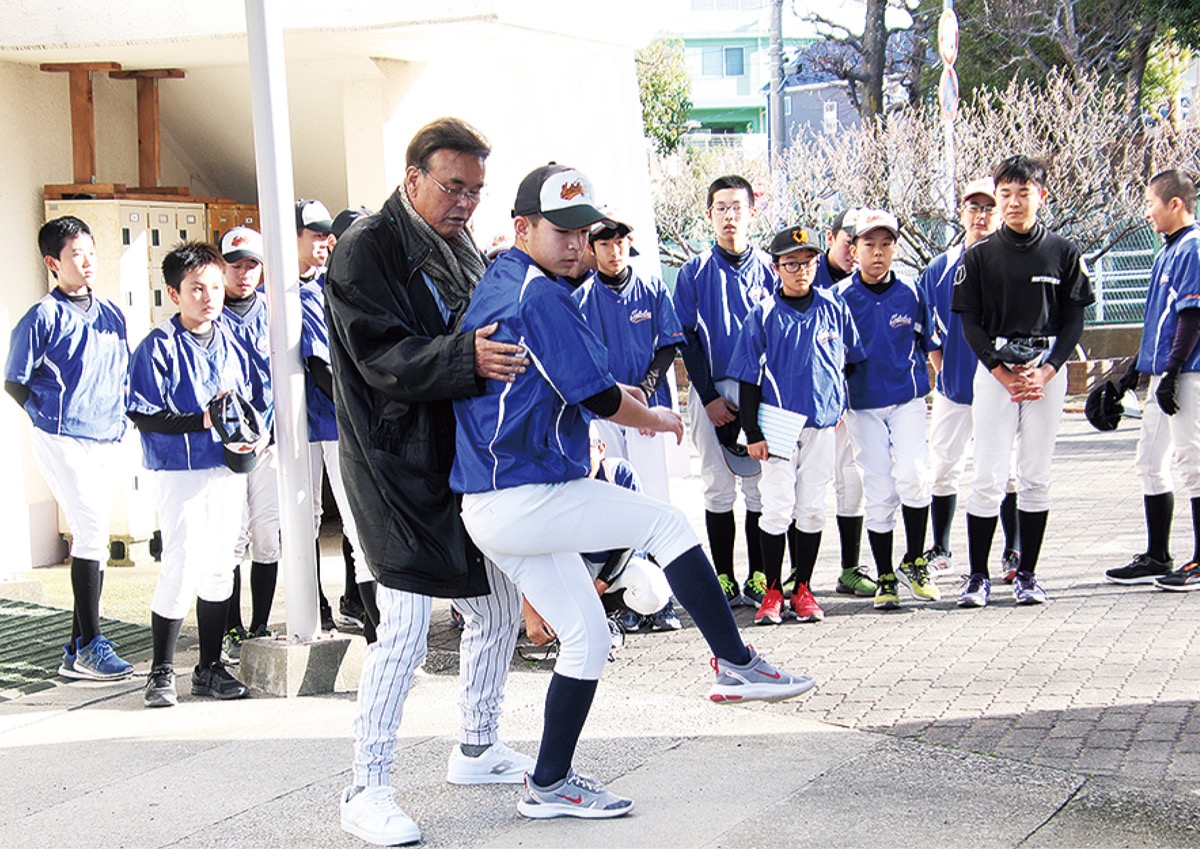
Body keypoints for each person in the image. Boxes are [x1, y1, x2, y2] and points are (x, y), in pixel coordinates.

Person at [452, 162, 815, 821]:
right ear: (521, 227)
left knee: (588, 632)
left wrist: (632, 408)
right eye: (557, 230)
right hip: (521, 494)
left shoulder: (508, 272)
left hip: (499, 499)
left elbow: (575, 386)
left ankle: (550, 782)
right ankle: (736, 661)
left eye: (580, 232)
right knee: (667, 526)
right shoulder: (537, 293)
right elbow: (596, 395)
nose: (573, 244)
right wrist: (657, 416)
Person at [325, 118, 535, 847]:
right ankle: (366, 785)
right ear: (413, 177)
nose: (465, 203)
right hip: (390, 464)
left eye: (476, 190)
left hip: (458, 460)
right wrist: (467, 357)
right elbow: (383, 353)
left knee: (497, 605)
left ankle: (477, 746)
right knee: (406, 627)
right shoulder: (365, 248)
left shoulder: (458, 242)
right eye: (453, 186)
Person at [951, 155, 1094, 607]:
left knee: (1034, 476)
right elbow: (969, 323)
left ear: (1041, 196)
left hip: (1046, 370)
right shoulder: (977, 256)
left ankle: (1027, 573)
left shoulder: (1064, 253)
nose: (1013, 202)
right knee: (988, 476)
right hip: (996, 371)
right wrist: (999, 370)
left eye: (1023, 193)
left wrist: (1049, 369)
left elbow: (1075, 321)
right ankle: (977, 576)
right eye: (1005, 194)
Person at [5, 216, 134, 681]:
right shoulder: (42, 316)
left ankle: (78, 646)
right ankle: (90, 647)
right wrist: (48, 417)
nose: (86, 262)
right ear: (52, 263)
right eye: (75, 254)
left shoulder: (112, 313)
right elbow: (14, 381)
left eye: (91, 252)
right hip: (61, 436)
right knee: (93, 530)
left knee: (91, 539)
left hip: (105, 435)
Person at [128, 241, 257, 707]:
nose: (209, 297)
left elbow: (254, 399)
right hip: (179, 469)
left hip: (227, 467)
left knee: (222, 564)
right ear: (173, 293)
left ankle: (209, 668)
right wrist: (200, 421)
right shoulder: (157, 346)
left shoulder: (234, 339)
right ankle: (161, 672)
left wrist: (255, 435)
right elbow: (143, 413)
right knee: (181, 563)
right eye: (196, 288)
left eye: (214, 287)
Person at [731, 225, 864, 625]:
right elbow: (747, 378)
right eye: (790, 264)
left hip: (822, 424)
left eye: (806, 262)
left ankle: (802, 588)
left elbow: (850, 360)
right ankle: (773, 590)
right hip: (778, 425)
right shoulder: (764, 314)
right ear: (776, 268)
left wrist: (841, 403)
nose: (800, 270)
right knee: (777, 506)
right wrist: (752, 433)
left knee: (811, 508)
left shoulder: (833, 306)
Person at [673, 175, 776, 607]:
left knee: (760, 486)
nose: (729, 216)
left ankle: (759, 575)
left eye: (737, 207)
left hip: (760, 393)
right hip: (709, 389)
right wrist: (709, 396)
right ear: (709, 214)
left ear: (753, 212)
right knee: (717, 485)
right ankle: (725, 578)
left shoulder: (772, 268)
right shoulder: (693, 271)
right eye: (721, 208)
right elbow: (686, 336)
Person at [836, 210, 941, 610]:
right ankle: (884, 576)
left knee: (914, 474)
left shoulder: (911, 292)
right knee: (878, 487)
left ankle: (914, 561)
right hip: (862, 405)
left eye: (885, 244)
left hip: (907, 398)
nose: (877, 253)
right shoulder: (841, 298)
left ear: (895, 248)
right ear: (854, 249)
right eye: (869, 245)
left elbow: (928, 342)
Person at [920, 179, 1021, 579]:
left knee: (1005, 470)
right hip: (955, 387)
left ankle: (1013, 548)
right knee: (943, 466)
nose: (980, 216)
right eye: (973, 208)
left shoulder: (1011, 262)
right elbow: (928, 325)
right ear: (961, 212)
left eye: (988, 208)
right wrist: (942, 368)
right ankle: (941, 547)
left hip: (999, 387)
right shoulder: (940, 267)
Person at [1105, 169, 1200, 591]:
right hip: (1166, 371)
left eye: (1150, 203)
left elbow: (1192, 317)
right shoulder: (1168, 250)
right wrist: (1132, 372)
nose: (1147, 213)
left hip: (1189, 373)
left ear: (1175, 204)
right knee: (1150, 461)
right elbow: (1158, 323)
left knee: (1193, 463)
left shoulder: (1193, 248)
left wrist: (1174, 370)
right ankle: (1158, 555)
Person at [299, 208, 376, 639]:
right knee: (306, 521)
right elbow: (320, 368)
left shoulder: (362, 287)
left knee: (358, 524)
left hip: (347, 420)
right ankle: (331, 615)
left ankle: (373, 626)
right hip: (322, 423)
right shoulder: (309, 294)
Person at [573, 211, 683, 504]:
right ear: (591, 249)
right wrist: (621, 399)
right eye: (605, 244)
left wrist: (644, 393)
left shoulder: (652, 287)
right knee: (615, 495)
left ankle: (658, 552)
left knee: (654, 494)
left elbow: (668, 345)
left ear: (629, 242)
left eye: (619, 241)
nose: (614, 251)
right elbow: (583, 362)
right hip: (604, 409)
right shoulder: (581, 299)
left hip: (648, 406)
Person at [214, 226, 280, 663]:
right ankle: (231, 629)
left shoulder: (274, 314)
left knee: (267, 536)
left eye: (252, 264)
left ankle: (260, 625)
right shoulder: (211, 315)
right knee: (231, 539)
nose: (244, 273)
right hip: (224, 451)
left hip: (269, 444)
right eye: (236, 264)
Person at [809, 209, 874, 599]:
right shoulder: (805, 276)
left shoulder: (866, 283)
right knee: (805, 490)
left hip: (850, 401)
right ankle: (798, 579)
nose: (855, 251)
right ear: (831, 238)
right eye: (849, 241)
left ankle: (851, 567)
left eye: (862, 243)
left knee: (852, 480)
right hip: (808, 407)